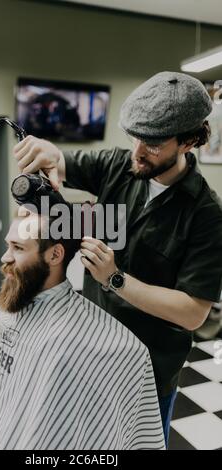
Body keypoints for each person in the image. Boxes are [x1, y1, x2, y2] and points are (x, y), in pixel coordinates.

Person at [13, 71, 222, 445]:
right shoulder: (117, 165)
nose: (138, 152)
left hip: (146, 372)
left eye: (153, 145)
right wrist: (48, 153)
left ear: (189, 141)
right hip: (92, 354)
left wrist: (115, 278)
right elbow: (61, 163)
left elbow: (193, 311)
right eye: (135, 137)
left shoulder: (207, 214)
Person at [0, 207, 164, 450]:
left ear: (55, 255)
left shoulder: (71, 343)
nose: (5, 257)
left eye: (18, 248)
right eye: (9, 245)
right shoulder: (16, 303)